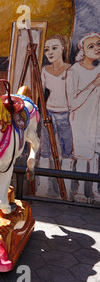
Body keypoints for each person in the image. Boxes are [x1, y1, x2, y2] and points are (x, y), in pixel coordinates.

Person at [37, 34, 74, 199]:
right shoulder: (45, 70)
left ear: (63, 49)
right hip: (49, 114)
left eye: (54, 48)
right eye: (46, 49)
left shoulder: (71, 70)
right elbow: (41, 94)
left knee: (67, 151)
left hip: (67, 115)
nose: (49, 52)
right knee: (45, 150)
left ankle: (64, 188)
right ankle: (44, 188)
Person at [66, 32, 100, 203]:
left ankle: (94, 191)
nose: (97, 48)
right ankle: (80, 192)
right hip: (80, 119)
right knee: (81, 155)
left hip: (96, 119)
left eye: (98, 44)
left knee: (95, 155)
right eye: (91, 46)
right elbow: (72, 102)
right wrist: (93, 84)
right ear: (82, 50)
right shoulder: (74, 71)